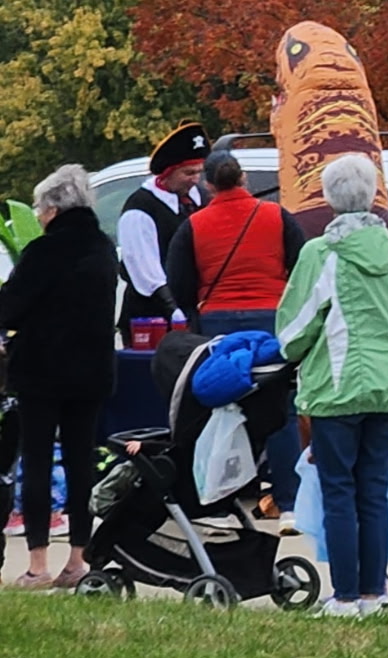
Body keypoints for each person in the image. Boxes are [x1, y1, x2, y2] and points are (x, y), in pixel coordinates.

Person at [276, 155, 388, 617]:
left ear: (330, 198)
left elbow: (296, 328)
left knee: (338, 491)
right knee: (373, 489)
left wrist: (289, 352)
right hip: (387, 384)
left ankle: (346, 595)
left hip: (337, 387)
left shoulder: (321, 253)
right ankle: (377, 592)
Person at [165, 150, 308, 518]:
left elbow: (179, 282)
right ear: (243, 179)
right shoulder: (276, 216)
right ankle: (288, 501)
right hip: (270, 321)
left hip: (217, 325)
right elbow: (302, 265)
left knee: (222, 409)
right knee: (281, 412)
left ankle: (223, 500)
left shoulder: (194, 226)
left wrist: (198, 312)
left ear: (208, 184)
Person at [0, 166, 117, 588]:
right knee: (81, 461)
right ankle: (78, 559)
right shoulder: (104, 248)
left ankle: (37, 564)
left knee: (35, 461)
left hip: (42, 372)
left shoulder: (44, 252)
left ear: (51, 209)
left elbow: (10, 306)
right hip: (92, 372)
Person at [115, 122, 209, 336]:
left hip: (195, 309)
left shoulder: (201, 199)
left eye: (198, 172)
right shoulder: (140, 209)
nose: (195, 179)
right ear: (168, 172)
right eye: (188, 173)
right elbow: (146, 271)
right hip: (153, 318)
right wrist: (174, 311)